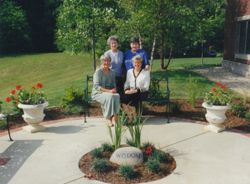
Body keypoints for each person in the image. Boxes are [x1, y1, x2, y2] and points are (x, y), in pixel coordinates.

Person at [92, 55, 120, 126]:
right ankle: (108, 118)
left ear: (110, 62)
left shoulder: (112, 72)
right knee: (110, 96)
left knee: (117, 96)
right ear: (101, 62)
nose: (106, 62)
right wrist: (109, 91)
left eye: (108, 61)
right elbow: (96, 86)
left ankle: (114, 117)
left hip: (109, 92)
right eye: (104, 61)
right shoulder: (98, 72)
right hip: (98, 93)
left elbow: (114, 85)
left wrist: (114, 89)